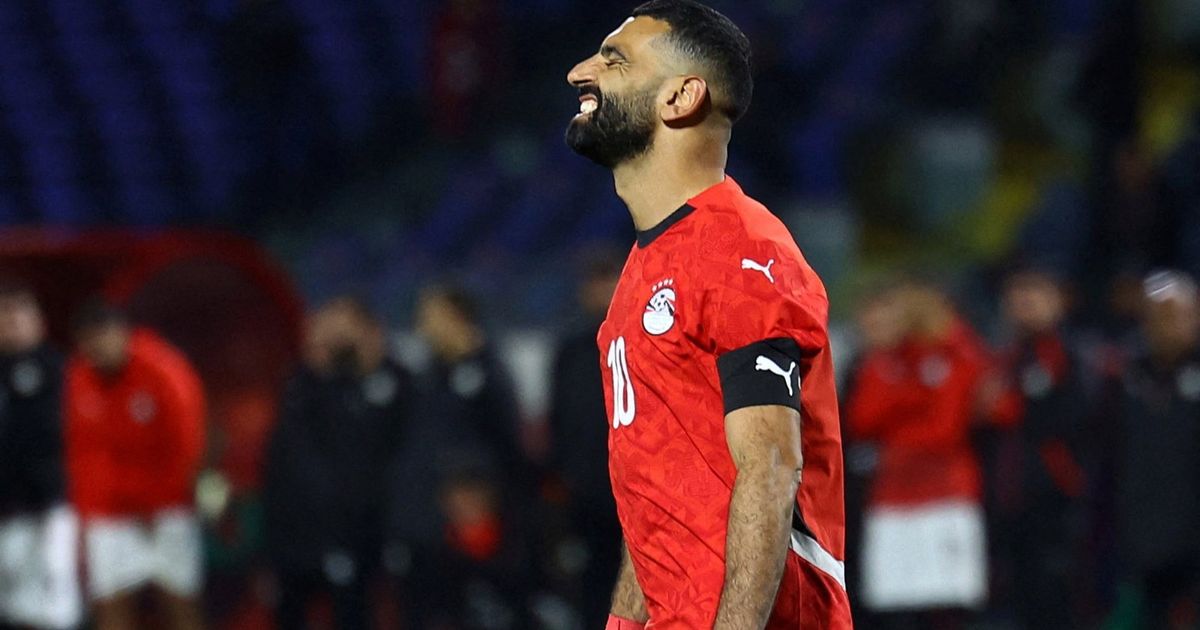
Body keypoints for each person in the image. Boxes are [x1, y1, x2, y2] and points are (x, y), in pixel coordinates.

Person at [564, 2, 851, 627]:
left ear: (681, 97)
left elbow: (770, 467)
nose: (578, 72)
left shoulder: (743, 251)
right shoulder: (643, 268)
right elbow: (653, 496)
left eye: (614, 61)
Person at [844, 280, 991, 629]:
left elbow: (945, 429)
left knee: (948, 606)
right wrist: (909, 401)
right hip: (894, 496)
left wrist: (899, 425)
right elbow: (862, 419)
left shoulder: (958, 352)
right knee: (894, 608)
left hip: (946, 494)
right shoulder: (884, 361)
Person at [262, 296, 412, 630]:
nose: (319, 347)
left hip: (353, 532)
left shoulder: (392, 384)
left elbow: (374, 465)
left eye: (329, 340)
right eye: (315, 340)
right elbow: (280, 472)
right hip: (294, 536)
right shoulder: (299, 387)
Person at [385, 284, 528, 627]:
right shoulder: (425, 377)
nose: (422, 328)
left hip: (473, 523)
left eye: (430, 317)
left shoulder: (489, 371)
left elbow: (508, 444)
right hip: (425, 523)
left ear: (457, 317)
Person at [64, 301, 206, 630]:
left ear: (122, 333)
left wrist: (155, 502)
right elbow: (79, 452)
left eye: (102, 339)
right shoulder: (77, 379)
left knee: (180, 601)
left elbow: (187, 443)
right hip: (108, 514)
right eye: (88, 345)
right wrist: (85, 514)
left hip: (165, 511)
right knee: (110, 604)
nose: (97, 351)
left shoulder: (163, 369)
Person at [984, 268, 1089, 628]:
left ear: (1059, 302)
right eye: (1018, 296)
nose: (1025, 304)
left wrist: (1010, 407)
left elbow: (1072, 419)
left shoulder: (1073, 356)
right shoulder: (1003, 357)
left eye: (1035, 295)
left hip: (1057, 499)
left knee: (1057, 597)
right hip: (1008, 499)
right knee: (1019, 598)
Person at [1101, 270, 1200, 628]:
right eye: (1158, 316)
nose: (1168, 327)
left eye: (1179, 315)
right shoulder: (1124, 377)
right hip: (1142, 540)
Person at [547, 252, 624, 629]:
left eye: (607, 280)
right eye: (594, 282)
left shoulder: (645, 339)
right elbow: (559, 421)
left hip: (636, 490)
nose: (600, 292)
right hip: (587, 495)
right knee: (593, 585)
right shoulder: (571, 350)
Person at [0, 280, 81, 630]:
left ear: (38, 321)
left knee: (54, 601)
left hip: (52, 503)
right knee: (13, 603)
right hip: (6, 505)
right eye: (5, 315)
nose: (13, 322)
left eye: (20, 313)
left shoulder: (60, 368)